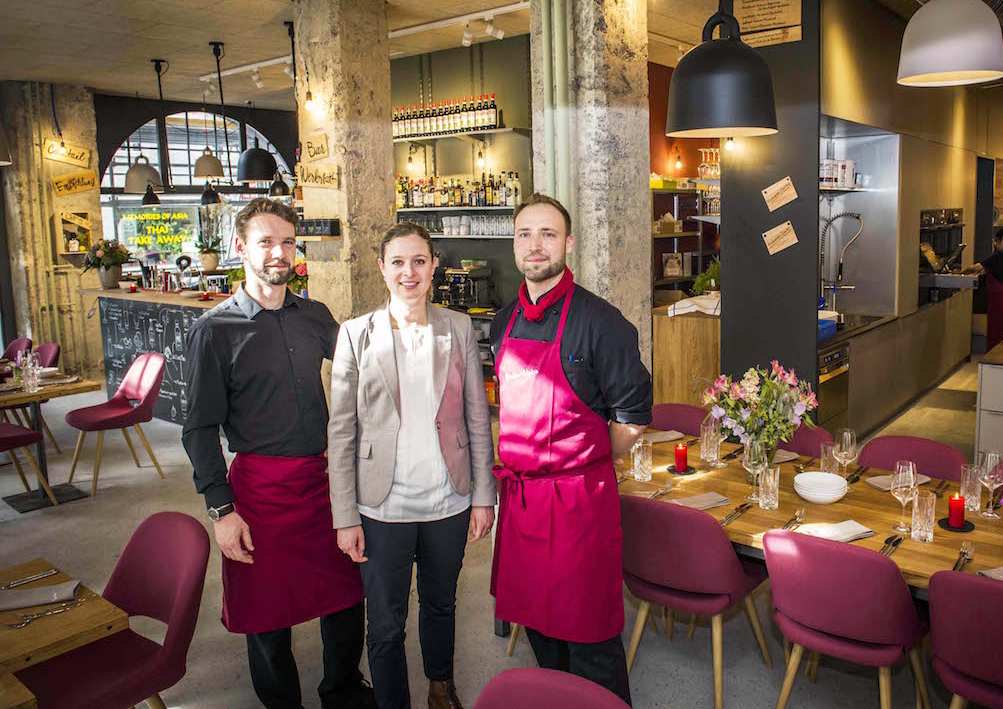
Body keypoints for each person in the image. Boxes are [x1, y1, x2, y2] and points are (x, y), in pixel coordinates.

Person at [182, 198, 373, 709]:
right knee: (267, 616)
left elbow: (368, 365)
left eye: (288, 241)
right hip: (260, 491)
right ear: (240, 247)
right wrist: (222, 510)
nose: (279, 252)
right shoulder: (213, 331)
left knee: (346, 595)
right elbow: (199, 430)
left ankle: (343, 689)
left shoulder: (315, 315)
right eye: (266, 241)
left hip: (323, 482)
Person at [489, 193, 652, 705]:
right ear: (514, 244)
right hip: (520, 503)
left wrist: (581, 463)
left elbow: (631, 420)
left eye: (548, 234)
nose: (535, 245)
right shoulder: (502, 322)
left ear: (569, 244)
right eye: (524, 234)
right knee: (538, 625)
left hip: (579, 503)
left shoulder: (603, 322)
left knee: (591, 638)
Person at [327, 222, 496, 709]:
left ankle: (440, 688)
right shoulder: (356, 334)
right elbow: (341, 432)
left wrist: (484, 495)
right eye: (398, 262)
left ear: (433, 266)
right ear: (382, 268)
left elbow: (476, 418)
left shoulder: (457, 327)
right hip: (382, 506)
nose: (409, 272)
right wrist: (345, 517)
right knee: (384, 621)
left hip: (449, 500)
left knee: (442, 604)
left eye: (419, 261)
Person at [964, 228, 1003, 349]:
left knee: (998, 336)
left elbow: (977, 267)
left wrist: (959, 272)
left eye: (996, 242)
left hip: (1001, 302)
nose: (995, 246)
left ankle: (995, 362)